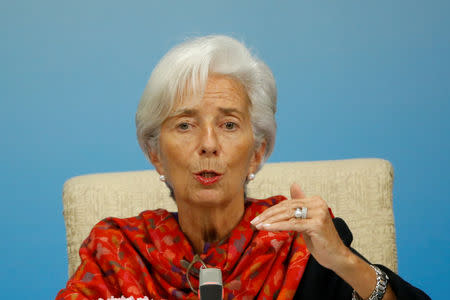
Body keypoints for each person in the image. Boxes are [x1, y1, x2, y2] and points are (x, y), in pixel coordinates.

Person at [56, 35, 430, 300]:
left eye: (229, 124)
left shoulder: (302, 243)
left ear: (258, 151)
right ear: (154, 153)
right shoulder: (117, 251)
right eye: (185, 124)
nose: (208, 143)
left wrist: (344, 261)